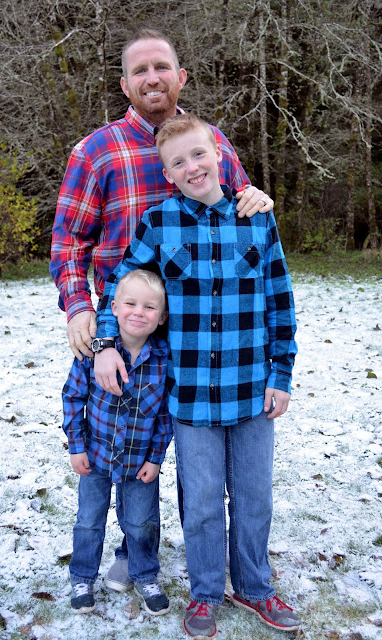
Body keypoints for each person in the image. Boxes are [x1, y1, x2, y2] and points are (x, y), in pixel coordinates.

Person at [50, 27, 274, 595]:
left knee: (195, 457)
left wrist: (258, 197)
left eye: (162, 67)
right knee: (129, 438)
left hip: (206, 329)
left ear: (180, 76)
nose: (153, 78)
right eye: (140, 70)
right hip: (130, 330)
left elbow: (240, 206)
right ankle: (135, 545)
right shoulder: (96, 151)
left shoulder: (209, 140)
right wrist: (81, 312)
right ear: (125, 85)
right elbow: (69, 242)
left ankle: (209, 561)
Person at [95, 113, 301, 638]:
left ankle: (254, 586)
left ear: (219, 155)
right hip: (190, 396)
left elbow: (280, 301)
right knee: (203, 501)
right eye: (178, 162)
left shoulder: (256, 218)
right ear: (167, 173)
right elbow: (119, 284)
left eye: (199, 154)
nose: (192, 167)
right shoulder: (159, 223)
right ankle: (206, 592)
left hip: (252, 388)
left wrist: (281, 372)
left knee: (254, 497)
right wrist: (104, 342)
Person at [62, 269, 172, 617]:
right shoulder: (93, 353)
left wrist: (155, 458)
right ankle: (82, 578)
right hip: (95, 456)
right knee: (89, 521)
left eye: (149, 307)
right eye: (130, 304)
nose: (139, 312)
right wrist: (76, 445)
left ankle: (146, 576)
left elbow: (166, 414)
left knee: (141, 522)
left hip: (138, 461)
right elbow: (72, 397)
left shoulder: (164, 360)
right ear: (113, 307)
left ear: (162, 317)